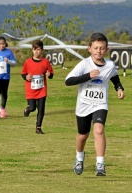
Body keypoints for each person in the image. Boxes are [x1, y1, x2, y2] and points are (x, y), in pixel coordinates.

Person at [65, 32, 125, 176]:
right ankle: (79, 158)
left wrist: (119, 88)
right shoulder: (84, 64)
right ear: (89, 48)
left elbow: (114, 76)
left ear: (107, 49)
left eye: (102, 48)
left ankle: (100, 164)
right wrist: (88, 76)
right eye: (96, 48)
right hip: (84, 105)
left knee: (98, 130)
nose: (99, 51)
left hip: (100, 103)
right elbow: (68, 81)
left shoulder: (110, 65)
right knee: (82, 135)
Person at [21, 40, 54, 134]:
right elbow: (23, 74)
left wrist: (49, 74)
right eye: (34, 49)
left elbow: (51, 74)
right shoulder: (27, 62)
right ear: (32, 50)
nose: (36, 52)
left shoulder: (45, 62)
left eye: (38, 49)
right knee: (32, 108)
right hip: (31, 90)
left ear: (42, 50)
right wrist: (26, 77)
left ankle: (38, 128)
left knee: (41, 109)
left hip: (42, 90)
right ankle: (27, 109)